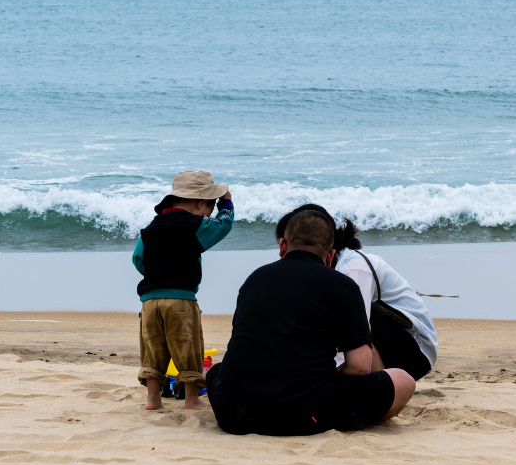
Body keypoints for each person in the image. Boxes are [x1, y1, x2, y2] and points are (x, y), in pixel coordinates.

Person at [206, 208, 415, 436]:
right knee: (403, 381)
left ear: (283, 246)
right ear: (329, 255)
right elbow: (359, 366)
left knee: (218, 370)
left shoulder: (254, 279)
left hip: (231, 413)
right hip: (302, 415)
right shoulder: (343, 286)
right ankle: (355, 420)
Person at [273, 205, 438, 381]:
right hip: (381, 334)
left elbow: (357, 328)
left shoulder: (353, 268)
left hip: (415, 347)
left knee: (348, 328)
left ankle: (376, 389)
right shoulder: (319, 269)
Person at [132, 171, 234, 410]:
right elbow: (223, 226)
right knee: (189, 349)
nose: (208, 215)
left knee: (153, 350)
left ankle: (153, 399)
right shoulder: (196, 225)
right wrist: (226, 203)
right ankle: (191, 399)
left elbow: (138, 259)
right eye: (209, 208)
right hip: (181, 300)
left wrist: (158, 274)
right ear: (200, 204)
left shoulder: (150, 228)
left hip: (149, 301)